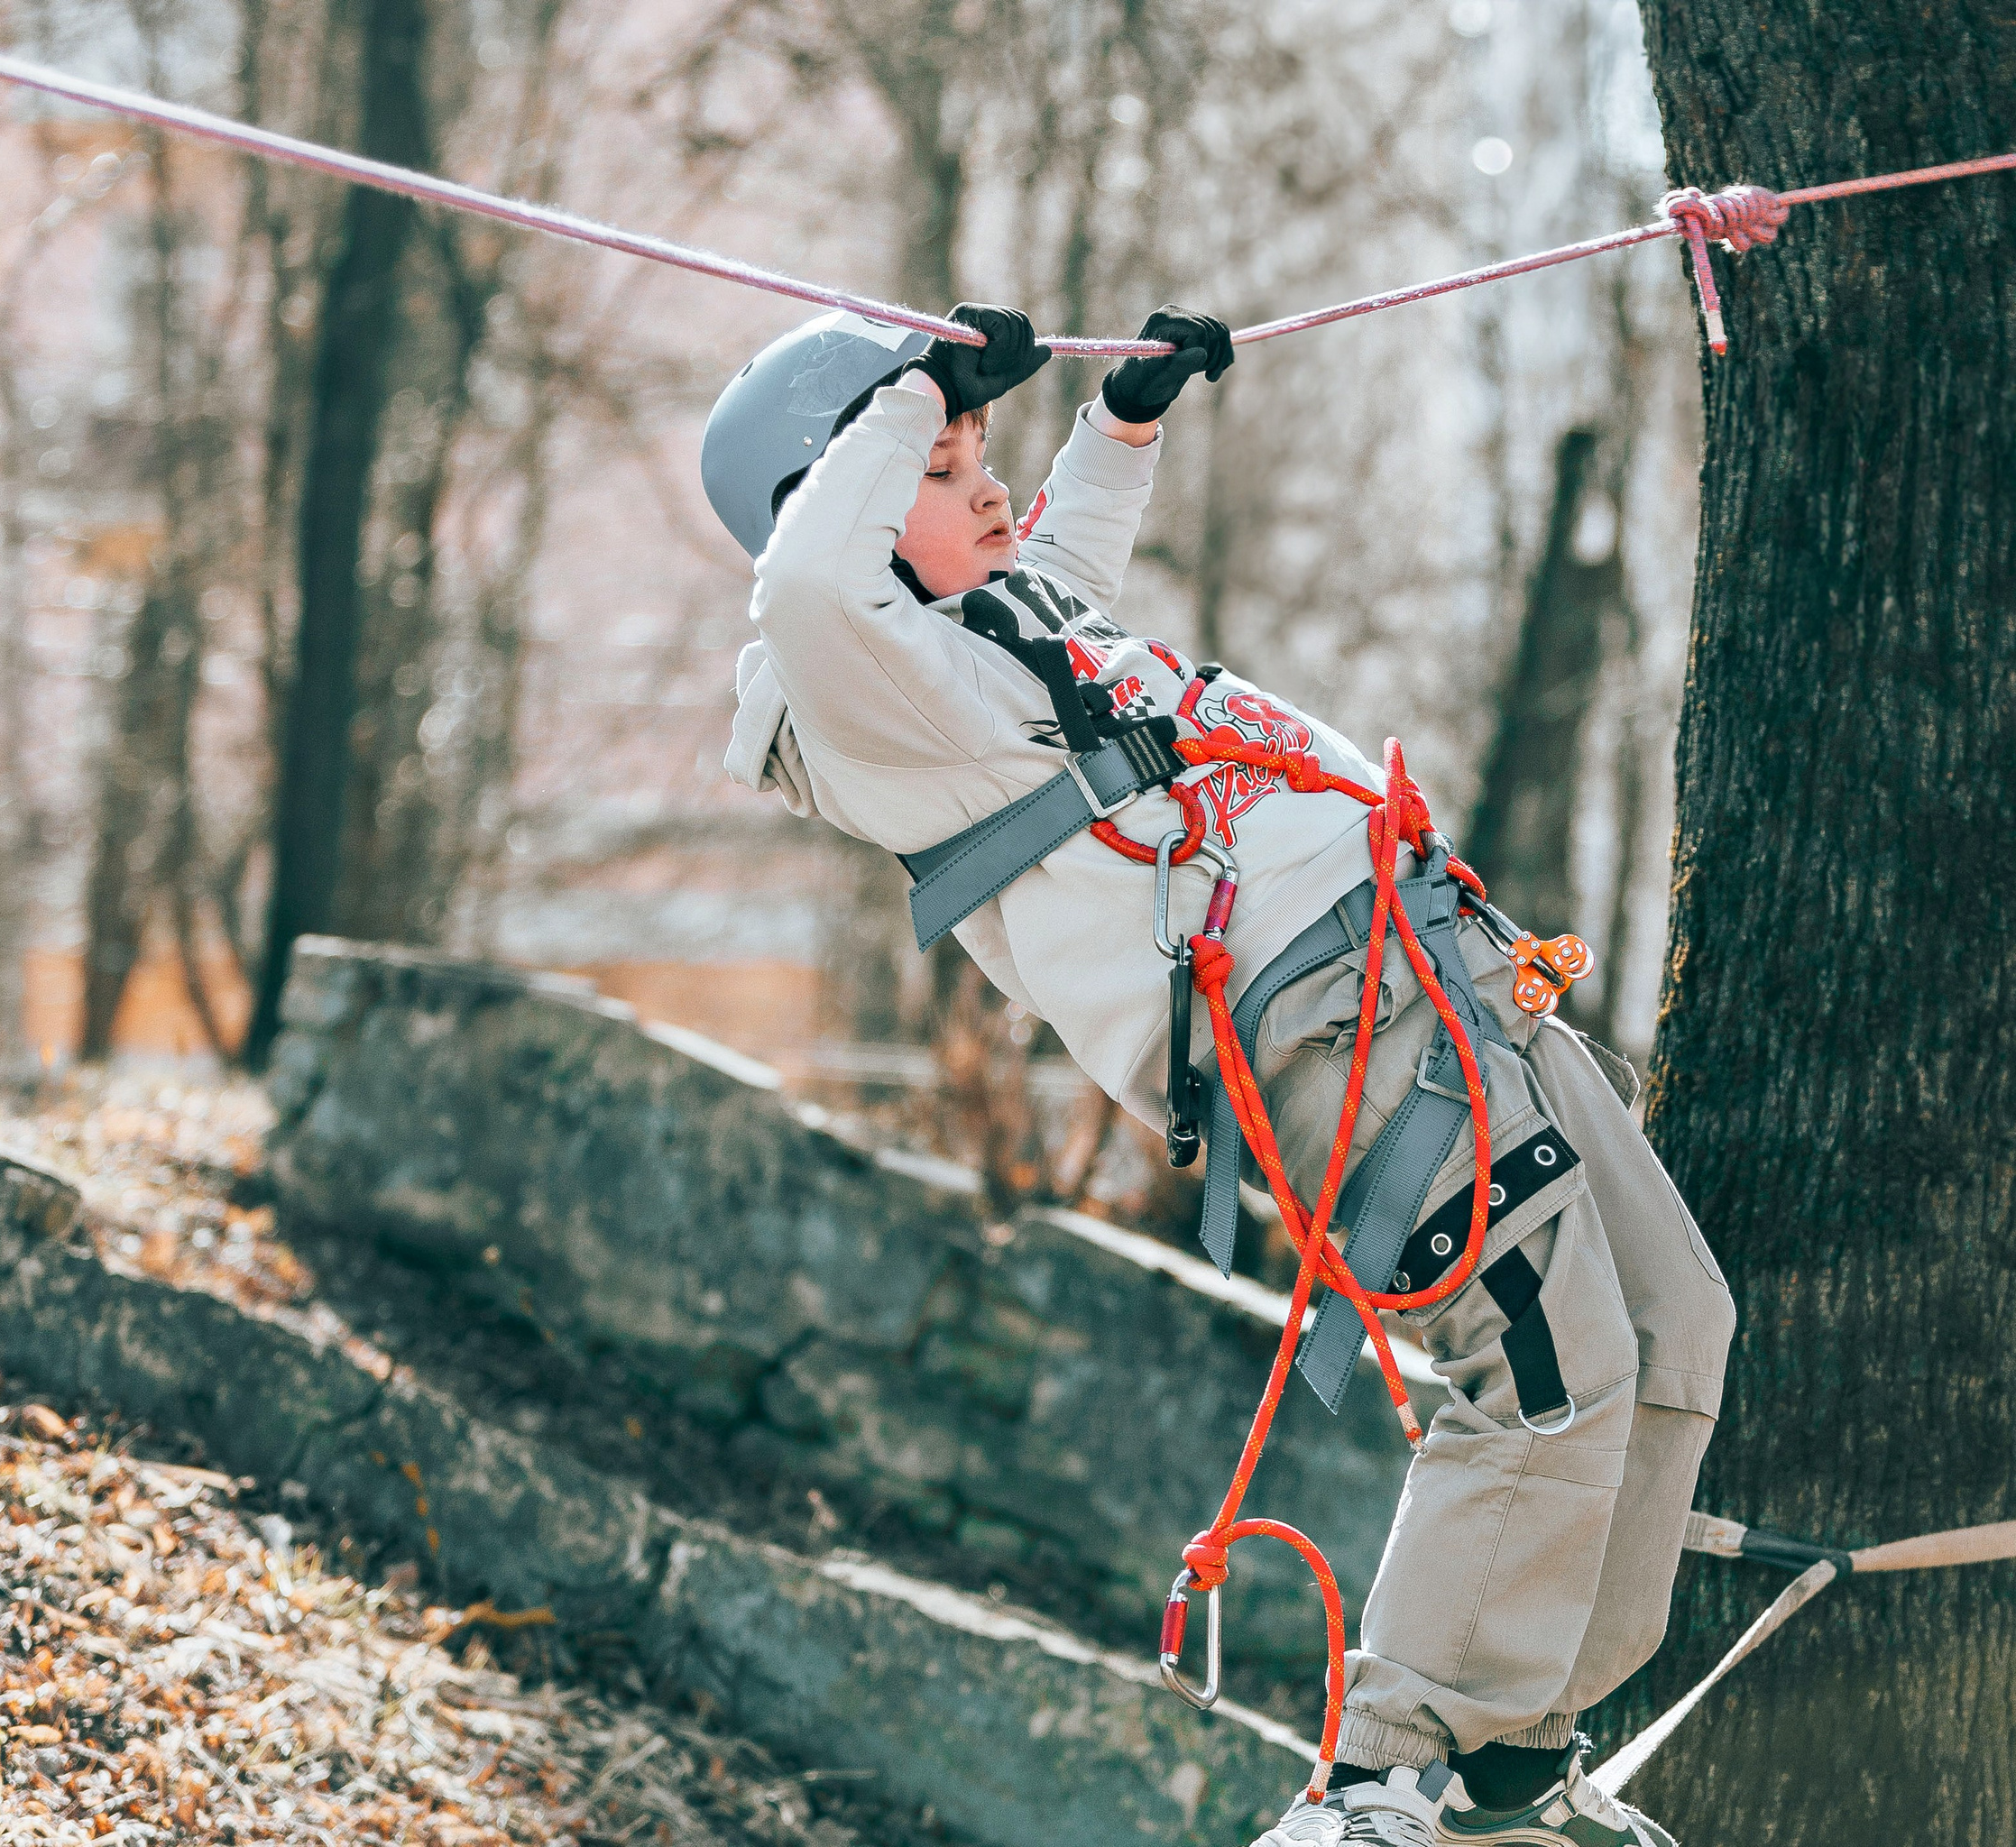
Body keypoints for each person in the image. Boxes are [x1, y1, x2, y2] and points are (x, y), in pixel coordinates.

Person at [710, 302, 1735, 1847]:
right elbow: (808, 581)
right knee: (1540, 1381)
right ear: (842, 497)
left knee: (1671, 1325)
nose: (981, 484)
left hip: (1439, 960)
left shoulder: (990, 636)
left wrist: (1118, 425)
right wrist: (912, 382)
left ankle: (1516, 1752)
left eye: (976, 453)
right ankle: (1384, 1780)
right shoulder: (867, 696)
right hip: (1337, 1025)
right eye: (937, 463)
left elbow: (1058, 563)